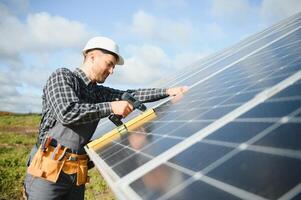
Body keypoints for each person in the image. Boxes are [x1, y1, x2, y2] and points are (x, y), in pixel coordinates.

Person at [23, 36, 188, 200]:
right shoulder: (63, 77)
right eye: (109, 64)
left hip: (76, 171)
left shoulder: (97, 91)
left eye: (114, 67)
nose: (111, 71)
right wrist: (110, 107)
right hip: (47, 169)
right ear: (92, 57)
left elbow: (131, 95)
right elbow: (67, 112)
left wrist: (166, 92)